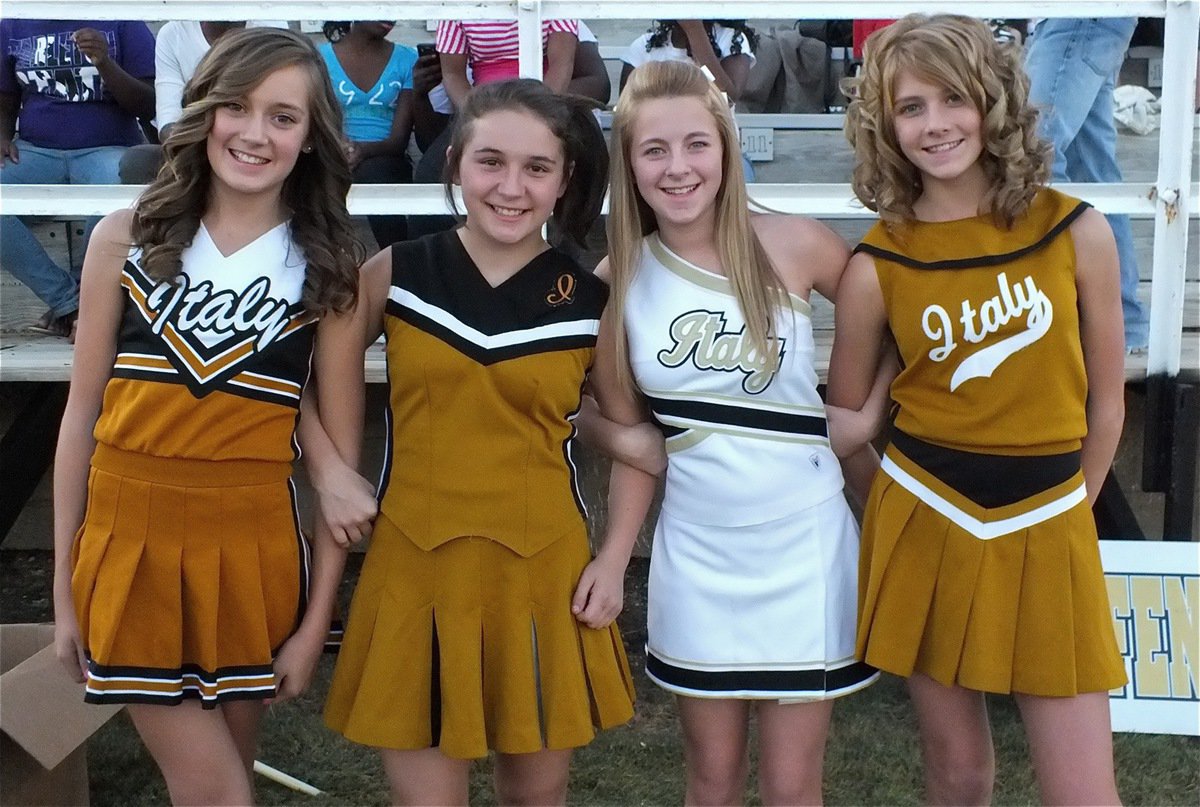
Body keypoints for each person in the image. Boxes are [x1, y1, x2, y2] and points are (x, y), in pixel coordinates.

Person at [52, 28, 372, 805]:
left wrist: (315, 620)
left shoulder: (328, 263)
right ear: (203, 113)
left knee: (226, 779)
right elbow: (80, 419)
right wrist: (64, 591)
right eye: (237, 107)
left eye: (283, 116)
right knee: (219, 794)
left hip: (253, 550)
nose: (255, 133)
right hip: (132, 544)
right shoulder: (126, 238)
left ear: (311, 138)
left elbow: (339, 467)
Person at [321, 78, 648, 806]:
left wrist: (617, 556)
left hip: (543, 574)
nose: (511, 186)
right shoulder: (398, 272)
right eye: (490, 162)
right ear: (456, 164)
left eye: (537, 168)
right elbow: (302, 377)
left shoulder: (588, 300)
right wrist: (327, 470)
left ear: (565, 181)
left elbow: (635, 443)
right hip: (416, 566)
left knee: (536, 797)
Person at [831, 14, 1126, 805]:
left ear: (991, 101)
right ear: (885, 126)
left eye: (952, 98)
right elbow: (847, 421)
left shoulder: (1076, 229)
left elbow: (1107, 400)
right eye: (910, 107)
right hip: (928, 515)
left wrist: (1075, 504)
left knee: (1084, 792)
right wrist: (890, 506)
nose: (935, 124)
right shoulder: (878, 262)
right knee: (958, 778)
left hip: (1051, 511)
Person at [592, 60, 879, 805]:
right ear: (628, 163)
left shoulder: (796, 243)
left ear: (726, 147)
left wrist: (869, 413)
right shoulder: (617, 276)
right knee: (711, 779)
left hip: (803, 546)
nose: (678, 167)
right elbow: (628, 435)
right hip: (697, 552)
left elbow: (894, 327)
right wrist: (614, 554)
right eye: (654, 150)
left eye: (696, 144)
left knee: (792, 786)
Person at [0, 18, 155, 338]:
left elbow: (147, 102)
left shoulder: (121, 20)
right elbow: (7, 95)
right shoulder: (15, 20)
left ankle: (89, 298)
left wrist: (104, 62)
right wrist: (2, 134)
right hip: (36, 151)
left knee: (117, 195)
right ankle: (69, 302)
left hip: (108, 150)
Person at [1025, 17, 1149, 353]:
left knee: (1034, 156)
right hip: (1089, 18)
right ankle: (1122, 322)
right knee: (1094, 174)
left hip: (1076, 17)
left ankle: (1073, 310)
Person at [407, 17, 580, 239]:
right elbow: (453, 74)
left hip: (546, 106)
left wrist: (537, 114)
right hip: (482, 109)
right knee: (431, 175)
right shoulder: (457, 7)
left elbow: (561, 65)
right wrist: (479, 117)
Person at [118, 19, 288, 184]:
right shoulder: (174, 33)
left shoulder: (271, 26)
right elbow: (168, 125)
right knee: (138, 161)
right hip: (197, 147)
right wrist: (212, 147)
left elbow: (283, 102)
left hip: (257, 141)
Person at [620, 20, 760, 180]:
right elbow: (627, 113)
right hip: (657, 154)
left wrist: (695, 33)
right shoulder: (645, 45)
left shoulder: (730, 39)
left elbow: (726, 97)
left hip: (722, 155)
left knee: (741, 180)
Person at [319, 20, 416, 248]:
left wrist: (361, 151)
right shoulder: (319, 59)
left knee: (376, 173)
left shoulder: (407, 59)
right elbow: (316, 118)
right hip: (332, 151)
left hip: (385, 157)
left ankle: (398, 262)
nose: (389, 15)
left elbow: (398, 141)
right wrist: (338, 146)